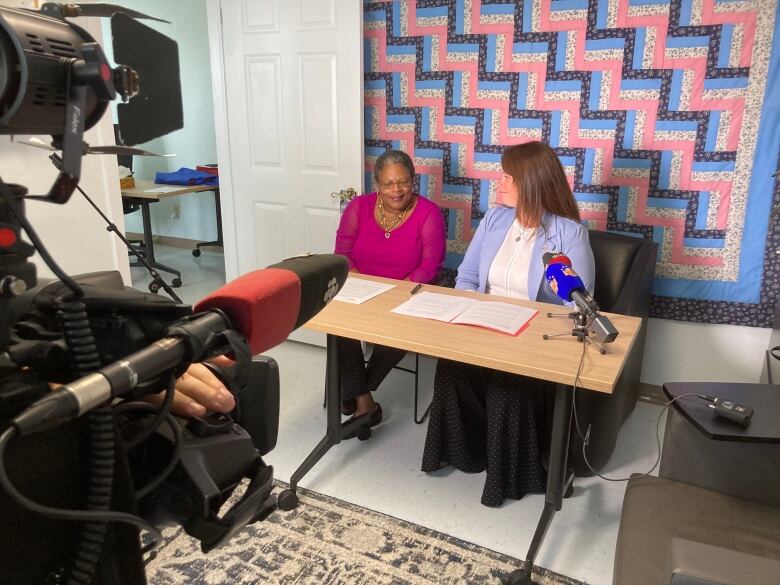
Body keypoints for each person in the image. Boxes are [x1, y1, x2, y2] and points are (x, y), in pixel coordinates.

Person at [420, 141, 595, 507]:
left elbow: (577, 303)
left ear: (529, 183)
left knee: (506, 387)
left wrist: (550, 296)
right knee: (451, 370)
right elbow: (467, 275)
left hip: (531, 340)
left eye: (507, 176)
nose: (498, 181)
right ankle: (465, 454)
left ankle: (510, 475)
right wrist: (467, 312)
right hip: (483, 326)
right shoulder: (495, 219)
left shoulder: (568, 235)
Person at [334, 149, 445, 435]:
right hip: (362, 290)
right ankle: (365, 402)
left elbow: (431, 265)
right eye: (388, 184)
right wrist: (363, 286)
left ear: (413, 181)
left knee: (398, 331)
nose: (396, 190)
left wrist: (394, 293)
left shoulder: (428, 213)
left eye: (403, 182)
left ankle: (358, 395)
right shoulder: (358, 207)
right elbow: (342, 254)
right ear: (377, 184)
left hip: (405, 293)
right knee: (336, 325)